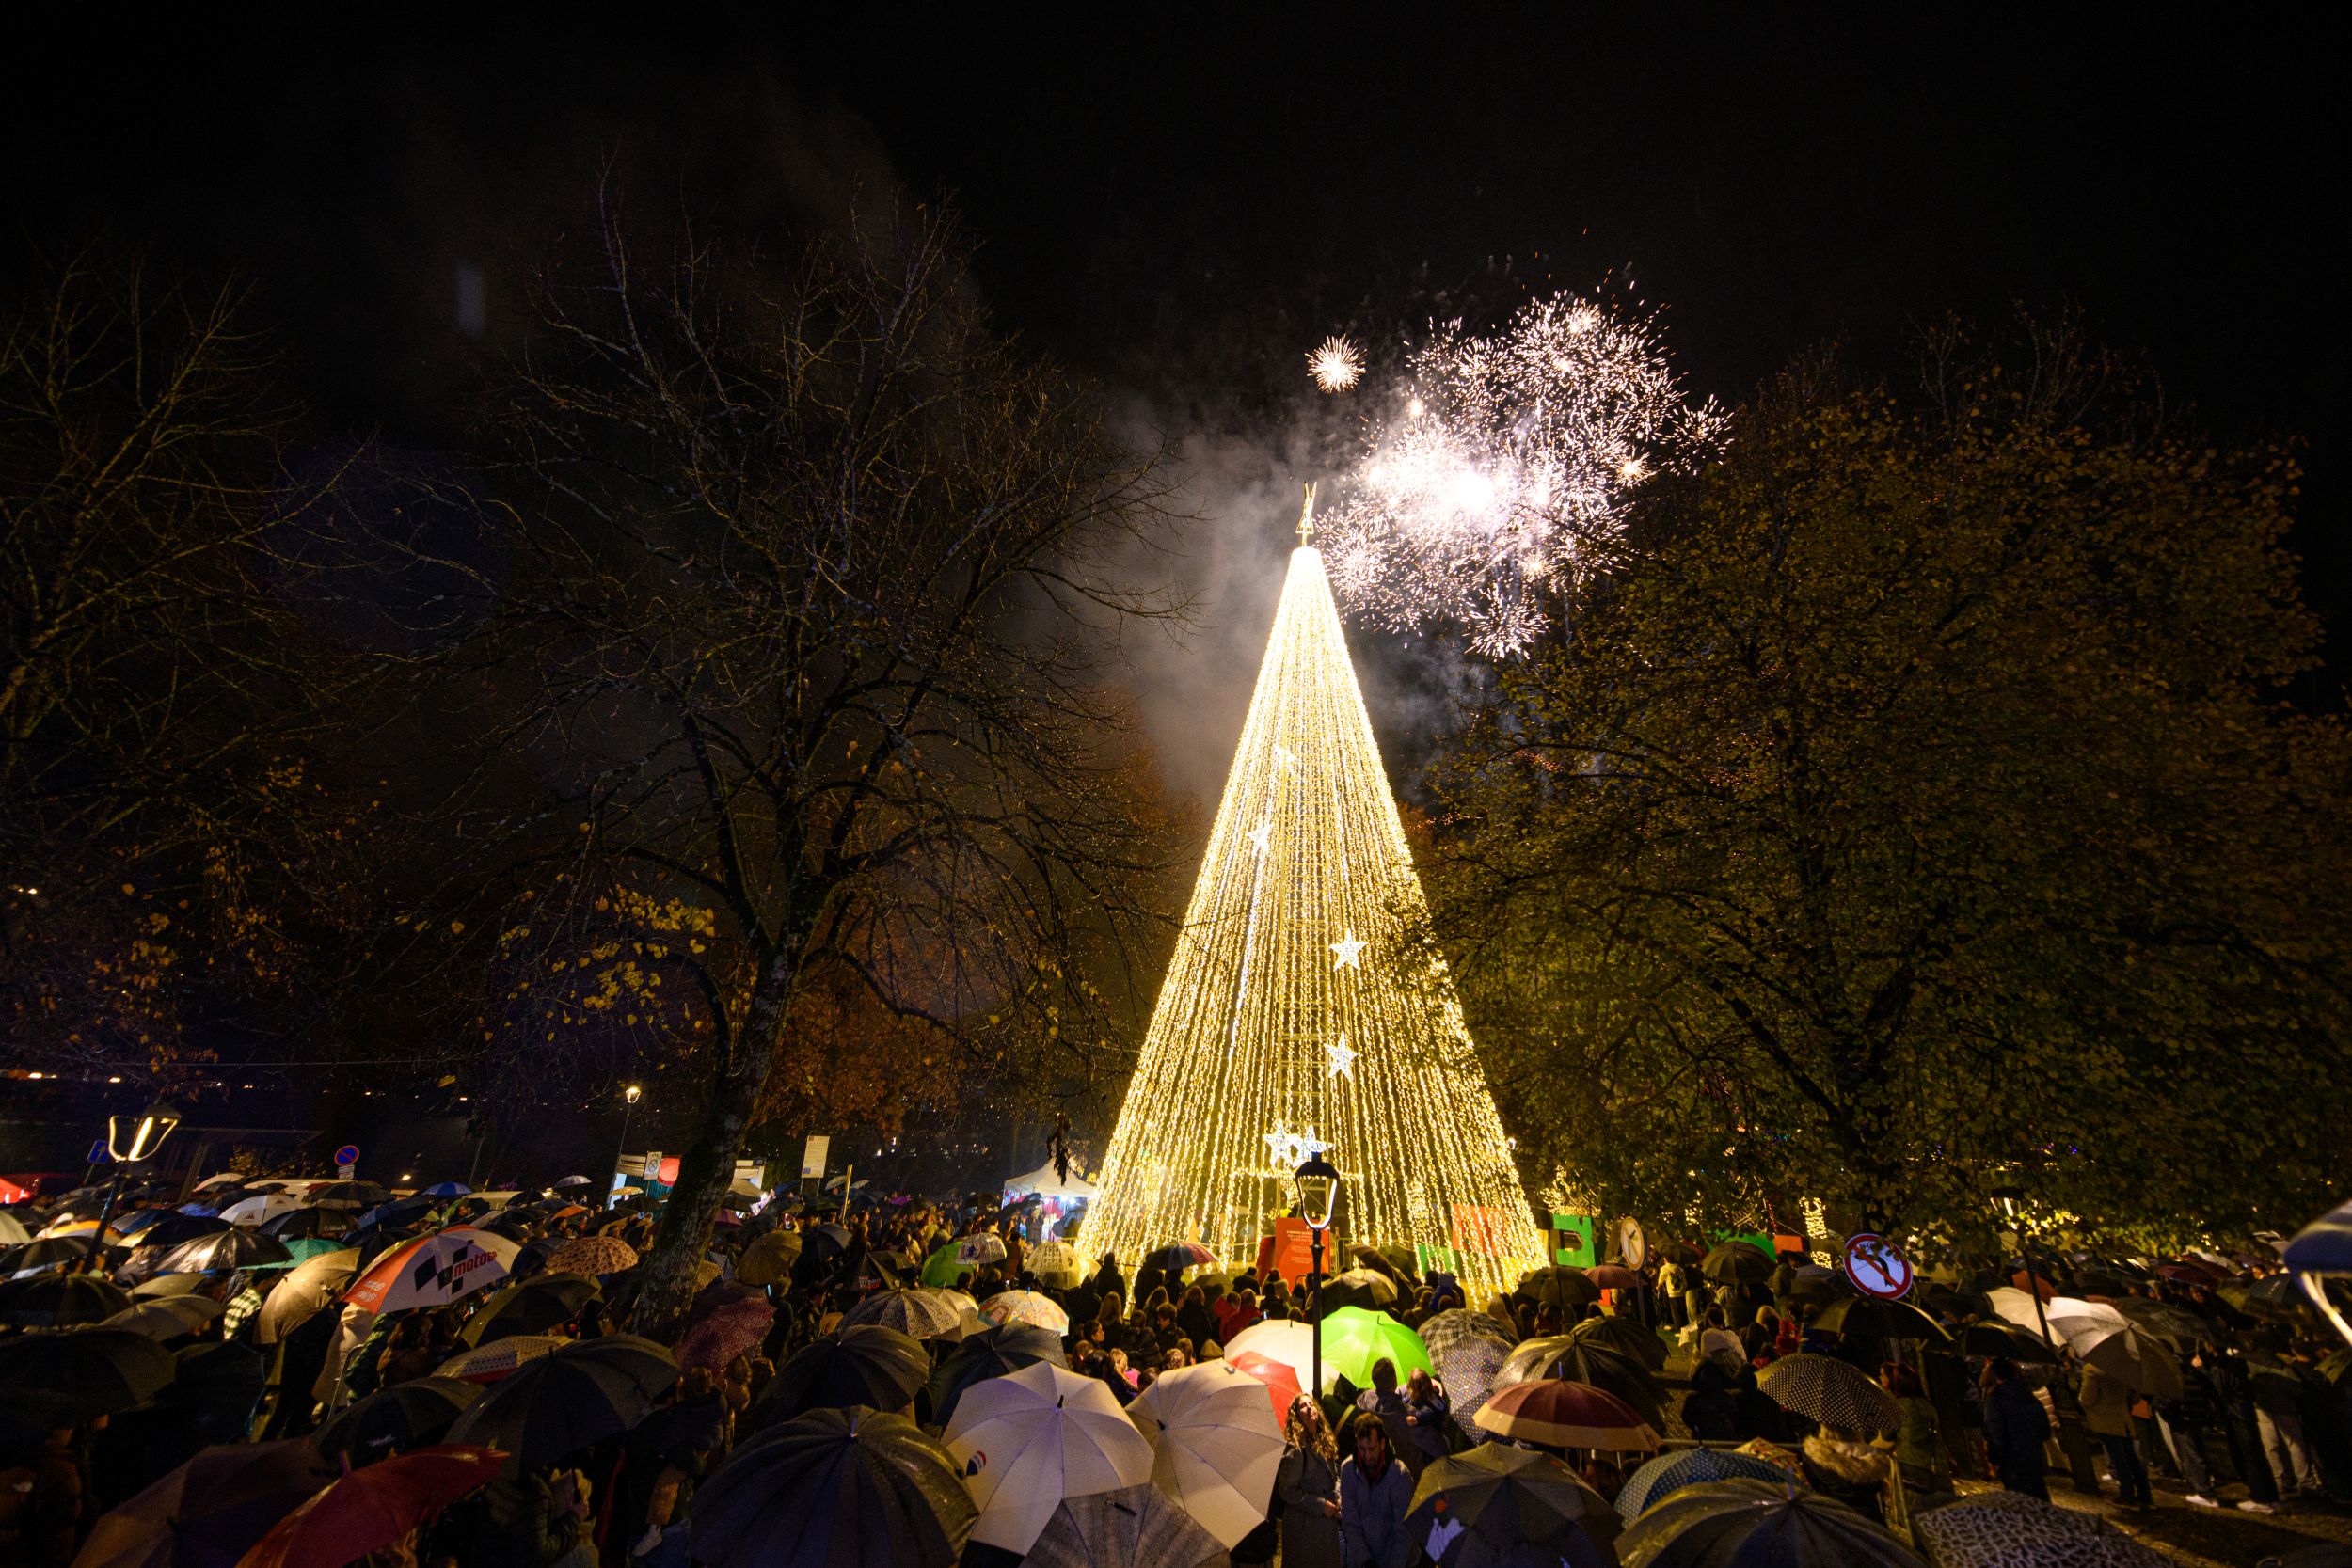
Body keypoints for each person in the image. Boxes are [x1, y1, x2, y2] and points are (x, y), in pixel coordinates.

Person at [1277, 1395, 1343, 1568]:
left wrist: (1337, 1495)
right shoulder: (1296, 1447)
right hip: (1305, 1528)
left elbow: (1335, 1476)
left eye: (1311, 1404)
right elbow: (1287, 1490)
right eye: (1303, 1406)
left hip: (1324, 1525)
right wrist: (1320, 1505)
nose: (1309, 1408)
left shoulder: (1324, 1440)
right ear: (1296, 1416)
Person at [1339, 1416, 1413, 1568]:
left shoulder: (1399, 1474)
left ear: (1382, 1443)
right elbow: (1351, 1523)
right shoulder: (1348, 1470)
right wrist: (1365, 1560)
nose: (1367, 1456)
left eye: (1371, 1449)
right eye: (1362, 1448)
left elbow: (1404, 1531)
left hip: (1396, 1560)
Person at [2078, 1362, 2152, 1510]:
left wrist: (2081, 1399)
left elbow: (2087, 1398)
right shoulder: (2123, 1368)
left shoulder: (2092, 1369)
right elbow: (2136, 1399)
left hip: (2106, 1420)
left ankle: (2127, 1495)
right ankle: (2145, 1495)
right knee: (2131, 1458)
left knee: (2119, 1459)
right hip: (2124, 1419)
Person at [1981, 1358, 2051, 1500]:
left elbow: (1996, 1430)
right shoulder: (2026, 1393)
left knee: (2019, 1498)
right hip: (2033, 1452)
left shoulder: (1995, 1398)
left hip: (2011, 1456)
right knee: (2039, 1493)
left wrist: (1995, 1453)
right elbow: (2043, 1425)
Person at [1881, 1362, 1952, 1499]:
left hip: (1910, 1466)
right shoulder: (1927, 1404)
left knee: (1913, 1507)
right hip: (1934, 1464)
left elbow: (1886, 1435)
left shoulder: (1896, 1407)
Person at [1800, 1424, 1890, 1523]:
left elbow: (1815, 1486)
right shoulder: (1873, 1457)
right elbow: (1877, 1486)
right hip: (1871, 1520)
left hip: (1836, 1519)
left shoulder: (1817, 1457)